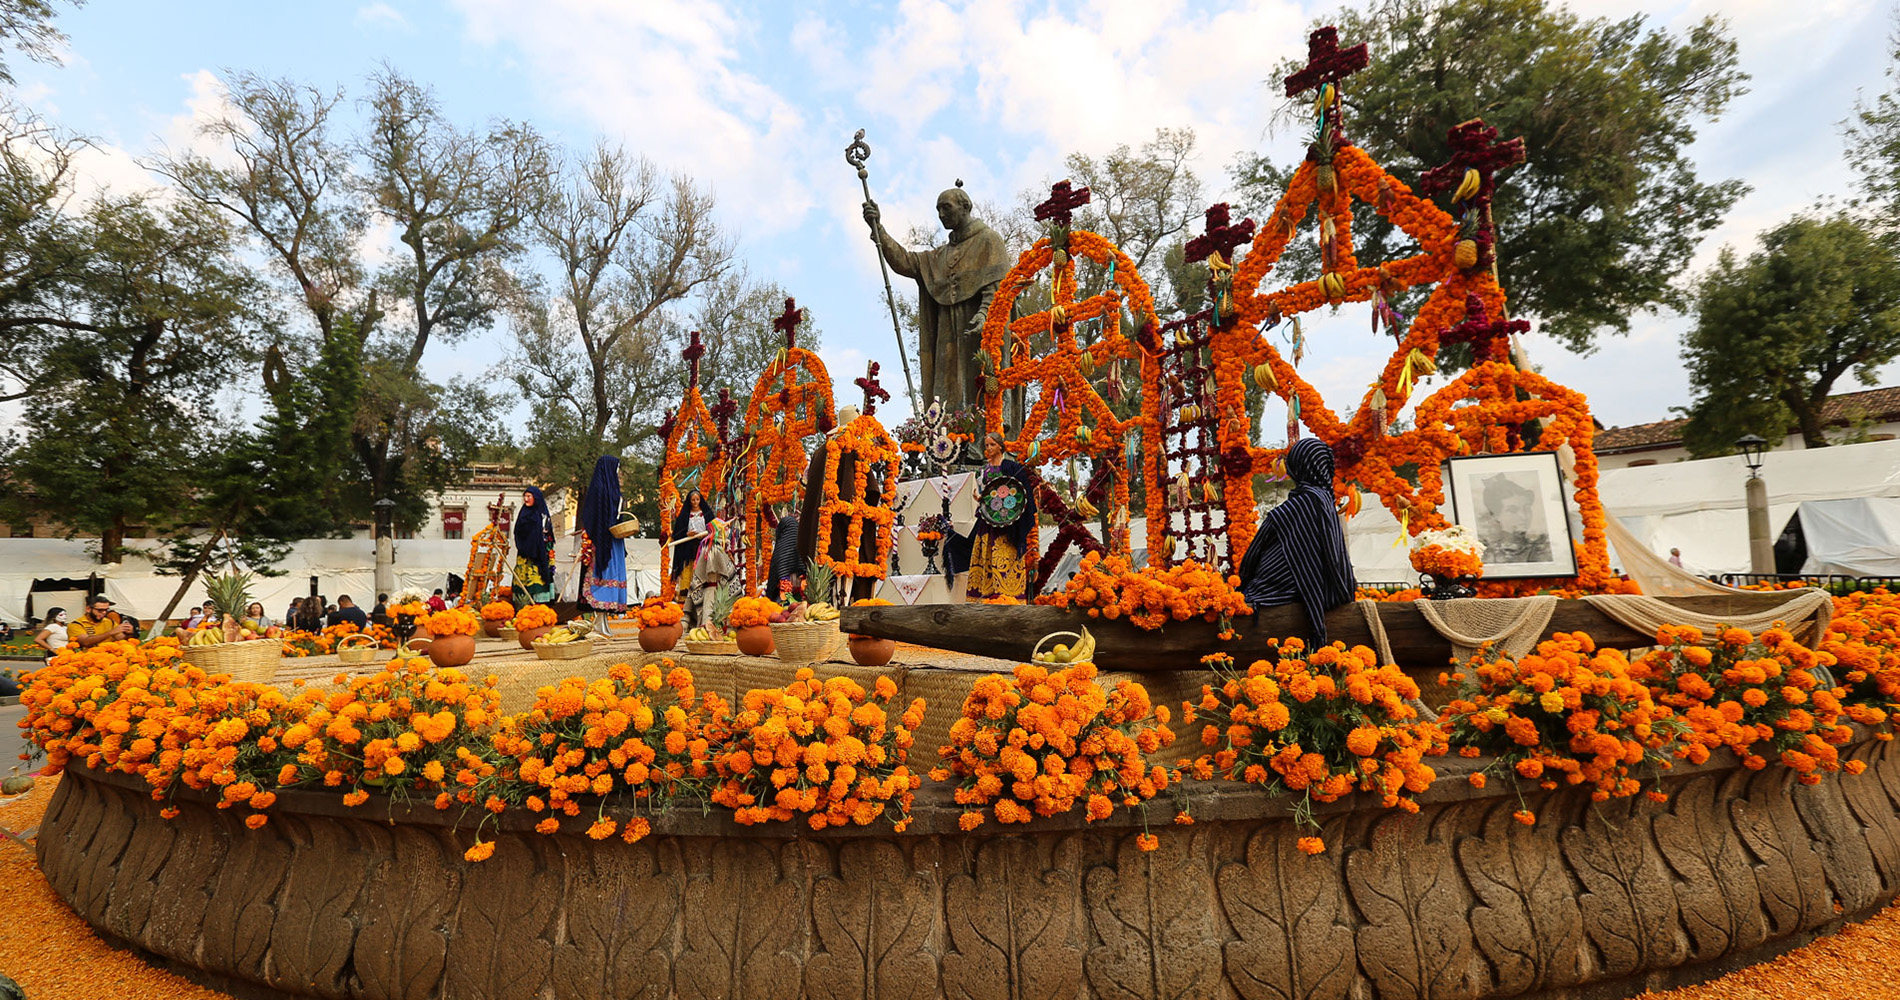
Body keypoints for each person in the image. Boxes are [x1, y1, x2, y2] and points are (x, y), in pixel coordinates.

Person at [1237, 438, 1357, 645]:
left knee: (1243, 592)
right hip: (1331, 592)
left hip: (1279, 591)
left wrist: (1241, 584)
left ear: (1296, 468)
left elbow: (1252, 558)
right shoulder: (1327, 502)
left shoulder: (1292, 509)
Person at [965, 431, 1036, 602]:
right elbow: (987, 493)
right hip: (988, 520)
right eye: (987, 445)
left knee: (1006, 555)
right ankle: (985, 595)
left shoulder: (1012, 467)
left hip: (1008, 524)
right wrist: (980, 498)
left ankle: (1009, 596)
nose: (989, 448)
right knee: (986, 554)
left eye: (992, 445)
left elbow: (1022, 492)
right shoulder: (983, 471)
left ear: (1000, 446)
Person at [578, 455, 629, 626]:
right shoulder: (599, 489)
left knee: (613, 573)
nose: (618, 471)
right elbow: (591, 515)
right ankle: (599, 621)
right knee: (603, 574)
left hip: (615, 539)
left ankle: (603, 622)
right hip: (602, 540)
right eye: (616, 468)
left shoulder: (613, 488)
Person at [1475, 473, 1552, 564]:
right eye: (1512, 510)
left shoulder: (1543, 549)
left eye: (1526, 508)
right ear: (1496, 516)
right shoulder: (1485, 553)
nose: (1523, 516)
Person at [513, 486, 557, 605]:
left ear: (536, 498)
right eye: (525, 496)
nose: (526, 499)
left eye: (529, 496)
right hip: (526, 552)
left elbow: (549, 532)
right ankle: (523, 602)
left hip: (541, 552)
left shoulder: (542, 513)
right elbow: (518, 531)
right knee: (525, 574)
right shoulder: (524, 513)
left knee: (539, 575)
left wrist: (544, 535)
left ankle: (541, 602)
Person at [670, 487, 715, 598]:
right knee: (688, 569)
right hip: (688, 547)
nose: (695, 502)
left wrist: (706, 534)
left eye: (697, 500)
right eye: (693, 500)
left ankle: (703, 595)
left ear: (700, 500)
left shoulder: (707, 513)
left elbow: (714, 527)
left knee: (702, 569)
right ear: (689, 501)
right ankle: (685, 596)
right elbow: (677, 532)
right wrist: (687, 534)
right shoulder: (685, 514)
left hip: (703, 545)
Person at [67, 597, 133, 649]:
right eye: (100, 610)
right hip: (88, 659)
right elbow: (85, 642)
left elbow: (120, 638)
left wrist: (128, 633)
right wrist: (111, 633)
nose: (104, 612)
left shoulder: (109, 622)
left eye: (106, 610)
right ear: (88, 609)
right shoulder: (76, 625)